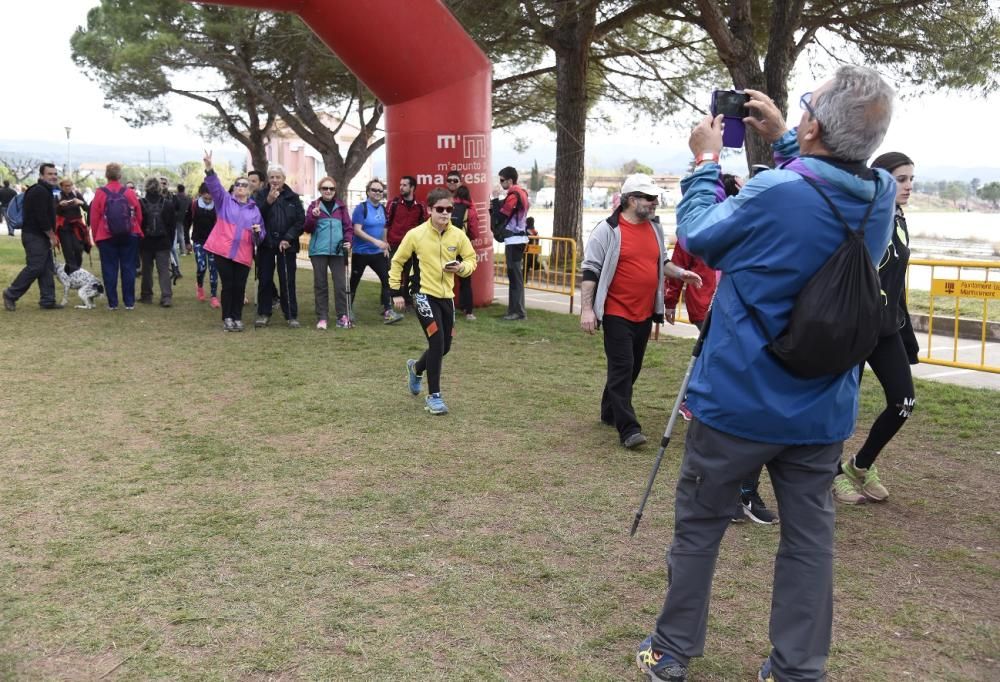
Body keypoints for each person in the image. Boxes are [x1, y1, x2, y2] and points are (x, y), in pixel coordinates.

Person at [635, 66, 896, 682]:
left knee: (700, 526)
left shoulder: (777, 192)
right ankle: (797, 668)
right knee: (810, 541)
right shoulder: (880, 194)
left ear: (813, 123)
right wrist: (787, 138)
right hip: (823, 404)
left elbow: (701, 235)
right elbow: (829, 182)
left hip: (737, 399)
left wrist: (703, 163)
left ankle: (671, 652)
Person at [580, 173, 702, 449]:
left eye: (656, 198)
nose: (655, 202)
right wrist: (587, 309)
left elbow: (663, 263)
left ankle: (609, 411)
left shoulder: (655, 228)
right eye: (649, 198)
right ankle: (629, 429)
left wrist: (683, 274)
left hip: (644, 313)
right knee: (622, 367)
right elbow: (590, 270)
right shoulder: (608, 229)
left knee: (631, 368)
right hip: (615, 312)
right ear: (631, 200)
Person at [833, 151, 920, 505]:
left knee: (904, 402)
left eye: (912, 179)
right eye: (901, 179)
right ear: (880, 181)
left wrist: (905, 332)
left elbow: (895, 284)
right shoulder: (863, 221)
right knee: (840, 409)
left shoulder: (899, 220)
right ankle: (829, 474)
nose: (909, 186)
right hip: (854, 330)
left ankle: (858, 467)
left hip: (886, 330)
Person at [391, 187, 476, 416]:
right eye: (440, 209)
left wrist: (461, 268)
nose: (445, 213)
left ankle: (416, 368)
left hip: (446, 297)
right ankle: (434, 396)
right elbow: (397, 262)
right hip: (422, 293)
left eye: (449, 209)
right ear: (429, 210)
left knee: (445, 346)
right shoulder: (415, 234)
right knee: (437, 341)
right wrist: (395, 292)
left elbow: (471, 259)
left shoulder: (458, 235)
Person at [202, 151, 264, 331]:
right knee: (228, 285)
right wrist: (209, 168)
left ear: (250, 190)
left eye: (245, 185)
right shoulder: (225, 202)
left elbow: (260, 236)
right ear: (234, 188)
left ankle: (237, 317)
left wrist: (258, 232)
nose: (241, 187)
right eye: (238, 184)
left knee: (239, 286)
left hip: (243, 254)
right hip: (223, 251)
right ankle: (227, 317)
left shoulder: (255, 211)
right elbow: (215, 187)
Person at [3, 163, 62, 311]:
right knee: (35, 267)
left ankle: (48, 300)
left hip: (39, 235)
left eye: (55, 174)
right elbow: (41, 217)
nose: (54, 176)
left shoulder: (45, 191)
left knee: (47, 267)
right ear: (41, 176)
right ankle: (11, 294)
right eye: (50, 174)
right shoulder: (40, 191)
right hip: (34, 235)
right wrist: (52, 236)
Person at [253, 165, 305, 328]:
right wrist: (268, 202)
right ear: (268, 180)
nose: (275, 180)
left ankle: (291, 315)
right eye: (272, 177)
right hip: (266, 244)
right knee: (265, 280)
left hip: (286, 245)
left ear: (284, 179)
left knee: (287, 280)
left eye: (278, 177)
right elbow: (255, 217)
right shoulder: (260, 195)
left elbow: (300, 221)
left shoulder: (293, 197)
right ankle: (263, 313)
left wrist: (288, 238)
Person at [89, 163, 143, 310]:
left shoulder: (100, 193)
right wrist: (135, 229)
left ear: (106, 175)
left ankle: (112, 303)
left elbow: (94, 218)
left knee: (109, 269)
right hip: (129, 234)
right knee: (129, 268)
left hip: (106, 236)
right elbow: (138, 213)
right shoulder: (129, 192)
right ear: (120, 176)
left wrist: (95, 236)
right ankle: (129, 302)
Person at [349, 179, 402, 324]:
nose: (377, 193)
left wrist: (384, 244)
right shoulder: (361, 208)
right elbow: (357, 230)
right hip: (361, 253)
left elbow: (384, 227)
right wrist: (375, 241)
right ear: (368, 192)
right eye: (374, 190)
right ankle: (347, 310)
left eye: (380, 190)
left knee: (387, 280)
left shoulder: (382, 208)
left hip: (378, 253)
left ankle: (387, 311)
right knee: (354, 282)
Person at [304, 176, 353, 330]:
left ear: (335, 190)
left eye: (331, 188)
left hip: (338, 251)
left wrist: (348, 241)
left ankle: (342, 316)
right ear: (320, 190)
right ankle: (322, 317)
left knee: (340, 285)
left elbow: (348, 228)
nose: (328, 191)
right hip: (318, 251)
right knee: (321, 285)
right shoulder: (314, 206)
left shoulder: (342, 207)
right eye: (325, 188)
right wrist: (314, 217)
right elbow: (307, 228)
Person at [490, 166, 530, 320]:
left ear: (510, 180)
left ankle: (518, 312)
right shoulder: (523, 193)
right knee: (515, 276)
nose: (500, 184)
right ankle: (514, 310)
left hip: (514, 240)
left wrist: (494, 200)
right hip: (517, 239)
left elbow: (502, 215)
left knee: (515, 277)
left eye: (502, 180)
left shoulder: (514, 195)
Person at [384, 175, 427, 313]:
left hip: (411, 246)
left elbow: (423, 226)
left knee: (409, 274)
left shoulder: (420, 206)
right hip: (394, 244)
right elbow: (386, 224)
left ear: (412, 188)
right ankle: (388, 303)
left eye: (404, 185)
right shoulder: (394, 203)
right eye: (400, 184)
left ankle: (407, 301)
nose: (401, 187)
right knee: (392, 273)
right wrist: (385, 242)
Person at [138, 177, 177, 307]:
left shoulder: (140, 203)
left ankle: (146, 295)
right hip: (163, 242)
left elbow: (138, 224)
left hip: (146, 242)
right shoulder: (168, 204)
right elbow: (172, 226)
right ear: (160, 188)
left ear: (146, 187)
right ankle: (166, 297)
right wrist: (170, 243)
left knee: (147, 270)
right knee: (164, 270)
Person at [447, 171, 480, 320]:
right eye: (450, 180)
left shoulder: (444, 204)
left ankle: (445, 309)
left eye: (455, 180)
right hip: (464, 247)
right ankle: (469, 311)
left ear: (459, 182)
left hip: (446, 246)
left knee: (444, 278)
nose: (452, 182)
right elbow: (474, 232)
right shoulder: (470, 208)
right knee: (466, 279)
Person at [185, 182, 219, 308]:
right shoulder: (194, 205)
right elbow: (186, 223)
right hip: (199, 240)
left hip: (213, 242)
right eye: (206, 198)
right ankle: (199, 286)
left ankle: (214, 296)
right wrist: (187, 241)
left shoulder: (217, 207)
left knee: (213, 268)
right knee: (202, 266)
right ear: (200, 194)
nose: (208, 200)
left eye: (210, 198)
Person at [55, 178, 90, 274]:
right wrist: (59, 205)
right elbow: (53, 211)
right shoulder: (57, 197)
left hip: (77, 227)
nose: (68, 187)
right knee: (68, 251)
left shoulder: (76, 194)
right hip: (64, 228)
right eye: (66, 186)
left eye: (70, 185)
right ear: (61, 187)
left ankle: (76, 269)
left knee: (79, 248)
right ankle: (72, 272)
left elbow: (87, 208)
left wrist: (81, 202)